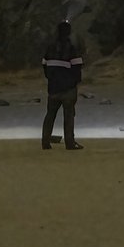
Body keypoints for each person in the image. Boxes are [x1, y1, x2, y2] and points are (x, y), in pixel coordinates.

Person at [41, 19, 84, 151]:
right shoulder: (71, 48)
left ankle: (45, 141)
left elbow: (44, 64)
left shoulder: (50, 47)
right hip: (68, 88)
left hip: (53, 87)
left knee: (50, 115)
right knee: (69, 116)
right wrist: (75, 81)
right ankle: (70, 143)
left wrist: (51, 78)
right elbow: (77, 66)